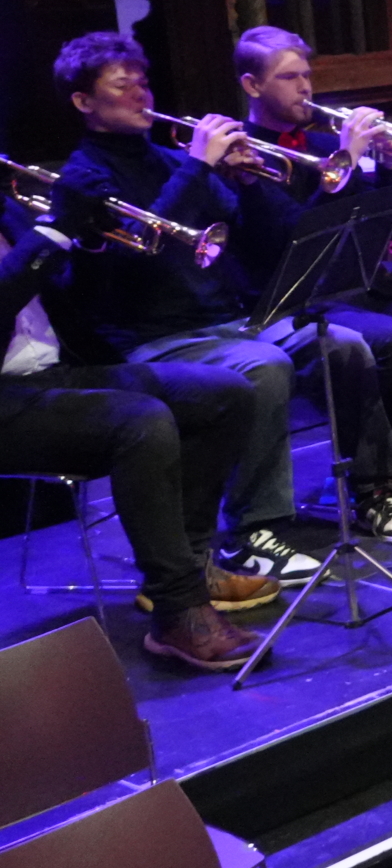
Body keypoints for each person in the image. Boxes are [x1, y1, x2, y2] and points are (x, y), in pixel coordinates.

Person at [49, 32, 332, 579]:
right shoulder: (83, 178)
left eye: (143, 83)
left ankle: (376, 489)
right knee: (267, 367)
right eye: (122, 86)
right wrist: (198, 168)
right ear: (84, 102)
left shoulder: (170, 157)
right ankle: (252, 530)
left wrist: (245, 181)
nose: (140, 95)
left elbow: (253, 239)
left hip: (223, 322)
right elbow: (134, 257)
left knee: (341, 344)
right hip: (149, 337)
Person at [0, 216, 275, 669]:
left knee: (224, 394)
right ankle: (177, 606)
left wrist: (88, 246)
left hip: (52, 373)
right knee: (139, 421)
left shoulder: (7, 205)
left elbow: (84, 305)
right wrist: (49, 236)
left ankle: (191, 564)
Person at [228, 25, 392, 516]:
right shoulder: (240, 153)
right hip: (284, 294)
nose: (306, 88)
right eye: (290, 78)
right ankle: (381, 471)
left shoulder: (317, 140)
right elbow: (292, 232)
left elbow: (375, 219)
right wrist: (347, 159)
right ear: (252, 85)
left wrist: (389, 167)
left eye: (307, 75)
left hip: (345, 280)